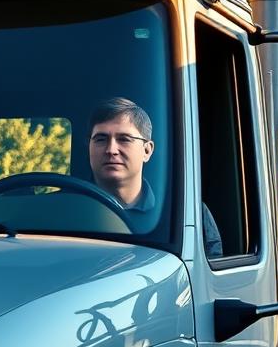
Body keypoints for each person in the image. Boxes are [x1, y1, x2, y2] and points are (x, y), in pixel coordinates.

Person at [89, 97, 223, 258]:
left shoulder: (187, 212)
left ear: (147, 150)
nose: (111, 149)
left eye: (124, 139)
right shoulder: (64, 208)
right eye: (101, 139)